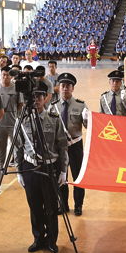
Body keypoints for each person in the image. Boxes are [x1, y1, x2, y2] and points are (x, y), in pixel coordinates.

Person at [14, 80, 69, 253]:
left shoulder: (54, 119)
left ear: (45, 98)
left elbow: (62, 147)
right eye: (33, 96)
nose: (36, 100)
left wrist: (63, 171)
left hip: (49, 168)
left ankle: (52, 240)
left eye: (39, 96)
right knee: (35, 206)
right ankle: (38, 238)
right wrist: (19, 171)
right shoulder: (21, 120)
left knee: (51, 207)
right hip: (30, 168)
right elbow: (17, 147)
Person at [51, 72, 86, 215]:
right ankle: (63, 204)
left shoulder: (81, 105)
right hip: (59, 147)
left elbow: (87, 125)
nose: (65, 89)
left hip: (75, 145)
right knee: (61, 177)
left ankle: (78, 205)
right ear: (59, 87)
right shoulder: (52, 107)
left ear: (73, 88)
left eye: (68, 86)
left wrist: (87, 119)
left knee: (78, 176)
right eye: (63, 86)